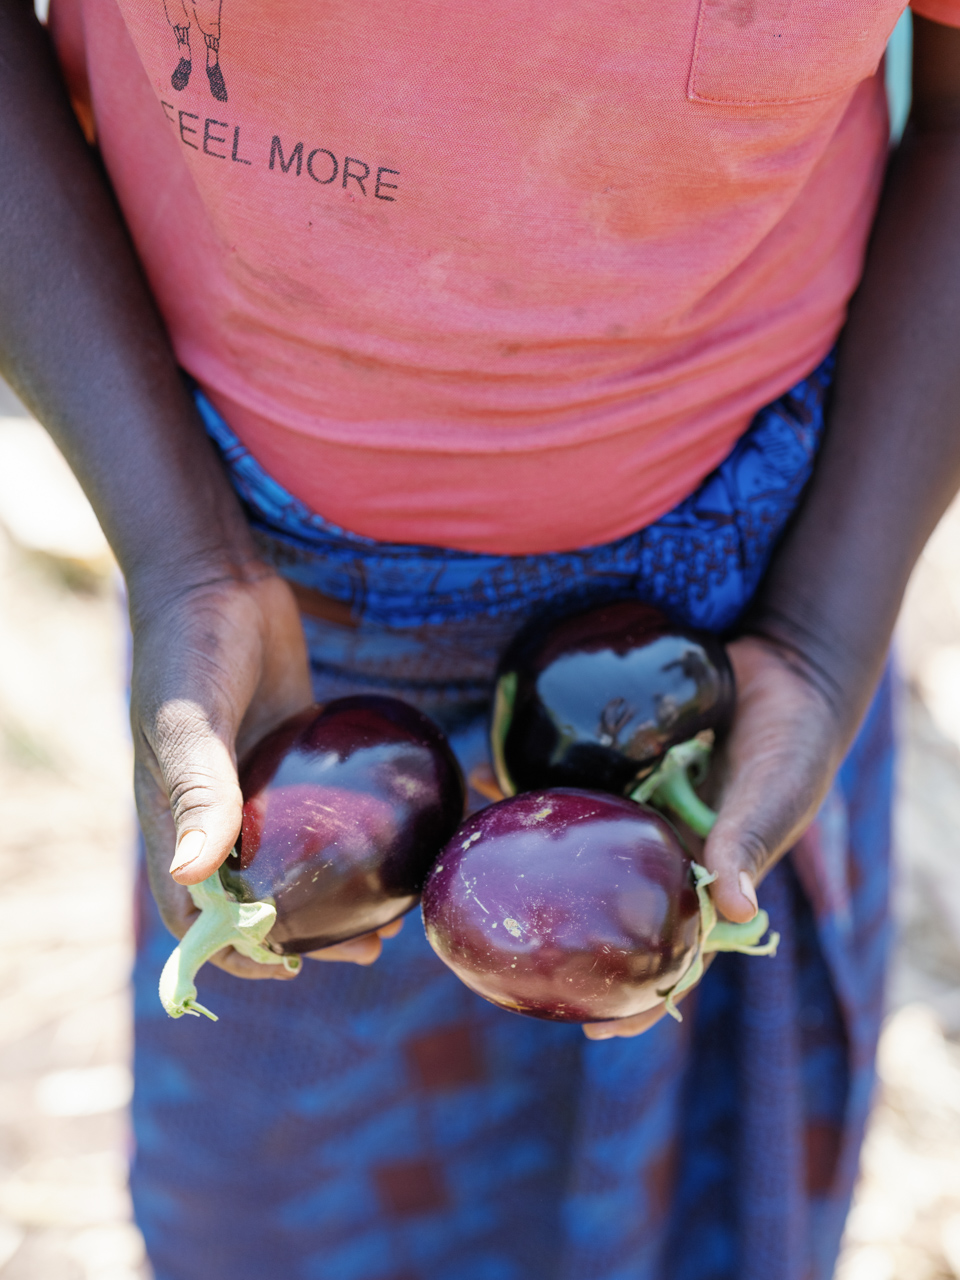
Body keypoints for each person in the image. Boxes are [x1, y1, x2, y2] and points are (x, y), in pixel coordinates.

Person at [2, 1, 960, 1276]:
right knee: (286, 1206)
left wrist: (822, 633)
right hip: (266, 627)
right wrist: (183, 553)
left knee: (693, 1211)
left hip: (755, 610)